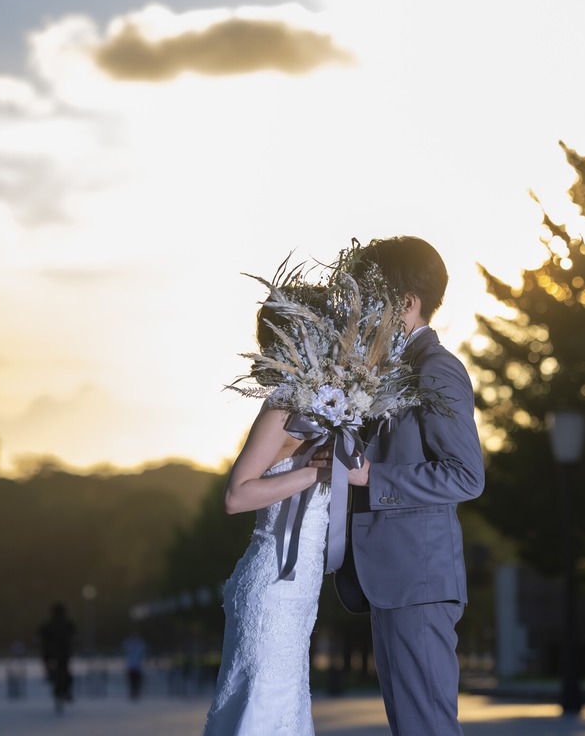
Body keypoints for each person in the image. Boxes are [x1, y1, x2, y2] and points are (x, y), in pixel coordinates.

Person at [314, 236, 485, 736]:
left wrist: (372, 477)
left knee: (427, 728)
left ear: (407, 303)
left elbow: (467, 475)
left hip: (419, 580)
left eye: (373, 297)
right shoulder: (386, 371)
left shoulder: (437, 370)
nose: (363, 309)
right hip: (390, 579)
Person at [200, 300, 334, 736]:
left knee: (283, 712)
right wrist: (315, 472)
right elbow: (237, 495)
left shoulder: (325, 408)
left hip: (298, 589)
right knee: (265, 711)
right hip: (273, 585)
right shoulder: (282, 406)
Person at [37, 602, 76, 713]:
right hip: (61, 654)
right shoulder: (67, 625)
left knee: (57, 672)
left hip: (53, 655)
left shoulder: (48, 625)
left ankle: (55, 682)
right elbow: (73, 638)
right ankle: (66, 691)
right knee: (66, 674)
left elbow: (41, 639)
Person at [121, 630, 148, 701]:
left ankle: (134, 693)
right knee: (135, 682)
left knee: (133, 682)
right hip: (135, 667)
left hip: (134, 666)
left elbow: (124, 646)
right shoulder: (139, 645)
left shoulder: (130, 644)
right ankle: (135, 693)